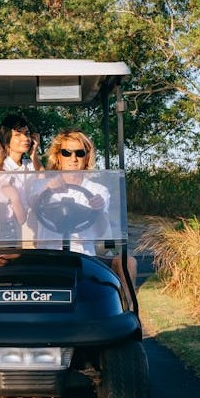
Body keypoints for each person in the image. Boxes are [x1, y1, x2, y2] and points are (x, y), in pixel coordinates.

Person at [38, 128, 139, 302]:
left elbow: (101, 233)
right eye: (67, 153)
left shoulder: (98, 191)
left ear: (86, 157)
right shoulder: (41, 186)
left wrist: (98, 210)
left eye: (79, 153)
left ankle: (127, 313)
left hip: (85, 255)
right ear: (58, 157)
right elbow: (29, 210)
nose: (73, 158)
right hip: (49, 254)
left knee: (128, 262)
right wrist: (47, 188)